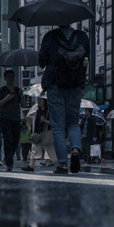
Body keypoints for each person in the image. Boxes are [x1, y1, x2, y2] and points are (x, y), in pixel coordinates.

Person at [38, 24, 90, 174]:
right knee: (73, 122)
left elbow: (42, 62)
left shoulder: (50, 36)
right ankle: (75, 149)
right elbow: (87, 57)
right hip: (75, 85)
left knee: (58, 127)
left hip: (55, 84)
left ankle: (62, 164)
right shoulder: (82, 36)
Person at [0, 69, 26, 171]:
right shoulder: (2, 90)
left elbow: (24, 105)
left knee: (15, 140)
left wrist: (22, 95)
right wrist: (6, 98)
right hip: (4, 118)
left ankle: (9, 158)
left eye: (12, 76)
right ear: (5, 78)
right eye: (9, 77)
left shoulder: (18, 90)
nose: (11, 78)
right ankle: (9, 162)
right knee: (8, 139)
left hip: (16, 119)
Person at [22, 98, 55, 172]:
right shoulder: (38, 111)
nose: (39, 102)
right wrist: (35, 132)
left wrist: (44, 120)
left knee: (51, 150)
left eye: (40, 100)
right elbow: (36, 123)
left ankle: (60, 164)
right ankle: (31, 166)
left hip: (47, 132)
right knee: (34, 149)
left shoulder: (49, 111)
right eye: (38, 100)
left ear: (45, 101)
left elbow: (53, 123)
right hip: (38, 133)